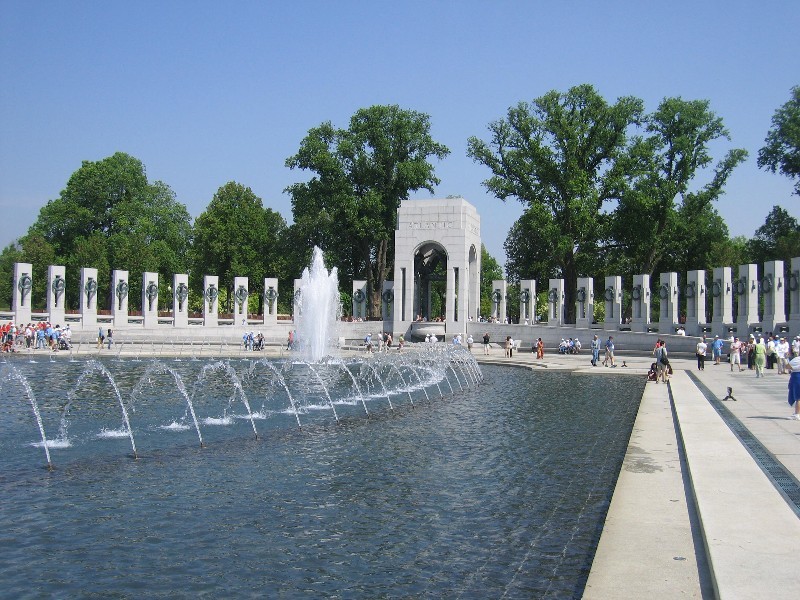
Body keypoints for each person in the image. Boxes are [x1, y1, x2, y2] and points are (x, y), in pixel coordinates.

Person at [788, 354, 800, 420]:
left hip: (797, 376)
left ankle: (797, 414)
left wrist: (794, 368)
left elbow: (787, 366)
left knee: (798, 397)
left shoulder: (797, 359)